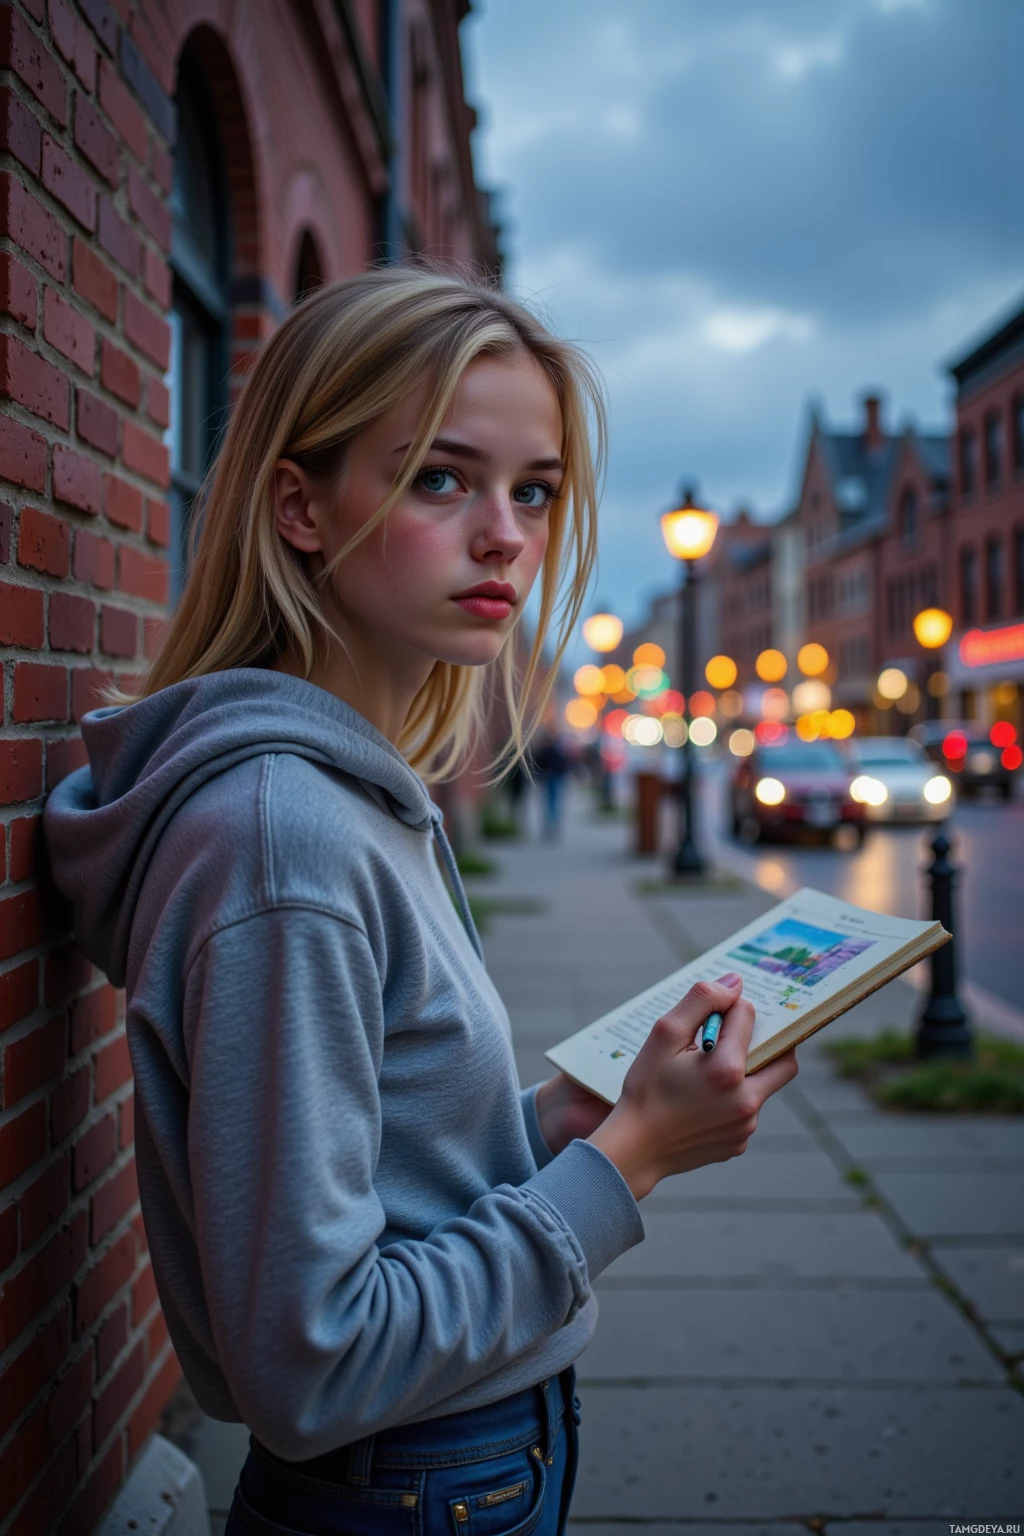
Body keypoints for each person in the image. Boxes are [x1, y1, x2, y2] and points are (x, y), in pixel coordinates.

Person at [43, 268, 798, 1536]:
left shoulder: (349, 801)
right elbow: (313, 1361)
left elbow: (369, 1169)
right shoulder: (290, 845)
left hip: (455, 1461)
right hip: (414, 1483)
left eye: (536, 491)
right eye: (441, 478)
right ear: (300, 505)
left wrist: (550, 1122)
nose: (505, 533)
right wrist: (629, 1162)